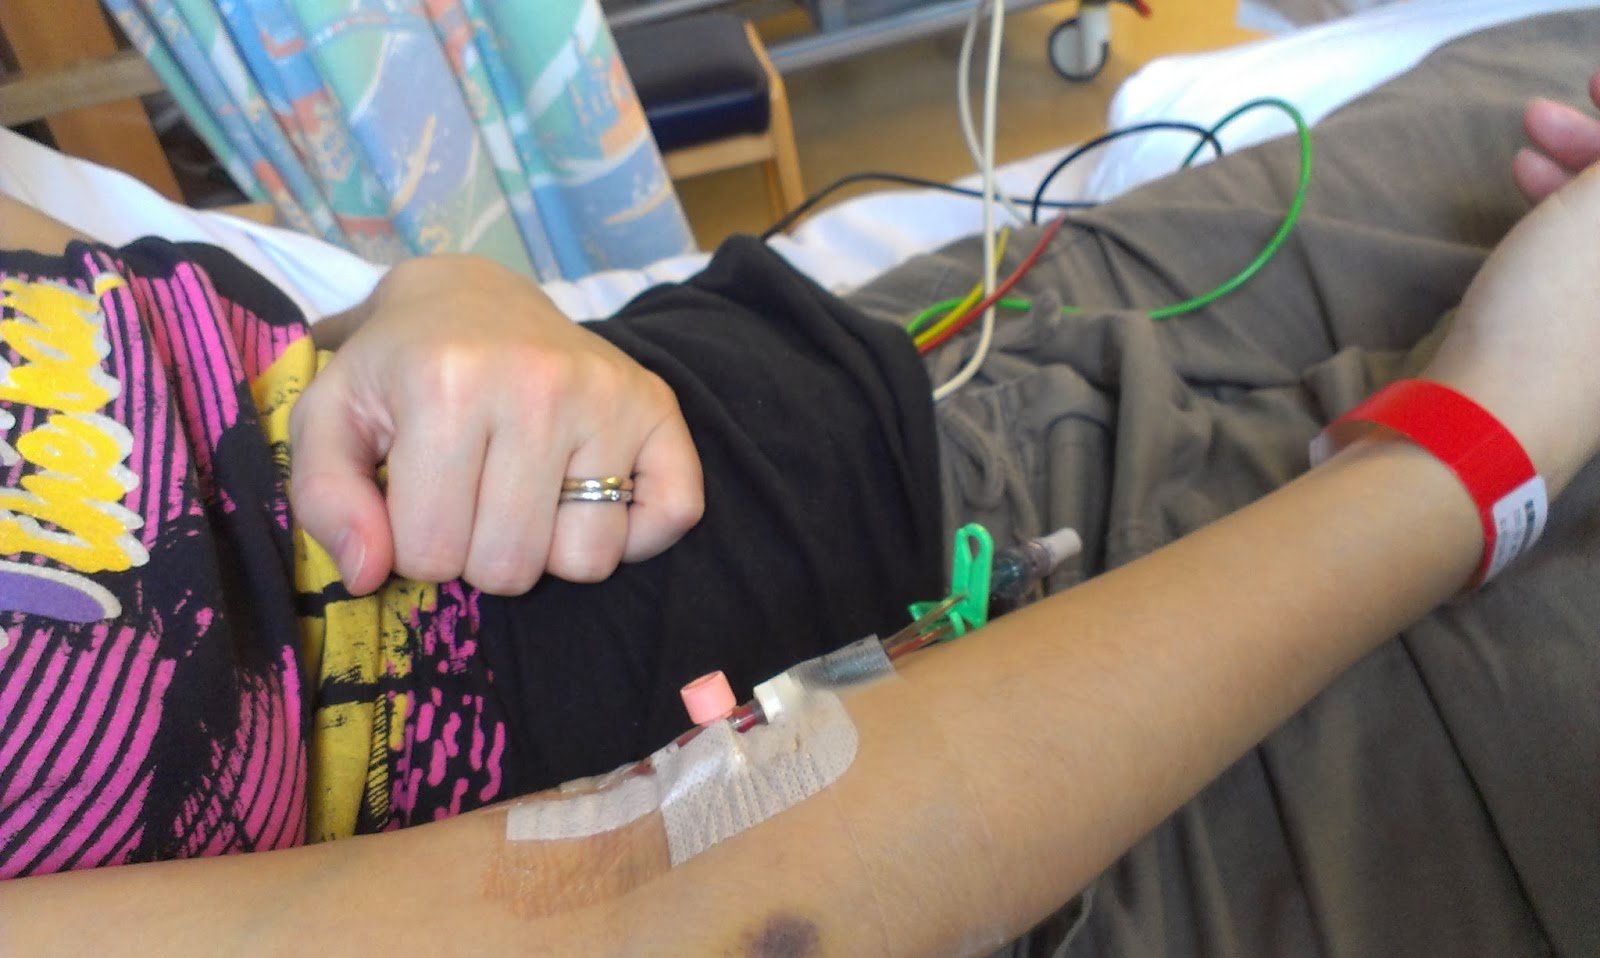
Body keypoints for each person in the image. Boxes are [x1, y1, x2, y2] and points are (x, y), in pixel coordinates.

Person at [3, 15, 1600, 954]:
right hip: (1065, 803)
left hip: (918, 364)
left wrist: (436, 305)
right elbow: (646, 913)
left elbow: (203, 353)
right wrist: (1475, 447)